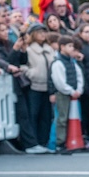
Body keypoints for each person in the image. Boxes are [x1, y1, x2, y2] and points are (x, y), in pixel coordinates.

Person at [50, 35, 85, 154]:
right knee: (62, 118)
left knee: (73, 118)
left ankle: (71, 140)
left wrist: (79, 89)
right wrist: (70, 91)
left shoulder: (72, 62)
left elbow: (79, 75)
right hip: (63, 94)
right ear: (62, 47)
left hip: (74, 93)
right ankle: (59, 142)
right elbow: (59, 81)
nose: (72, 49)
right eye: (69, 46)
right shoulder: (58, 63)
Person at [25, 23, 56, 154]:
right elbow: (23, 66)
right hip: (34, 86)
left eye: (44, 32)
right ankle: (34, 142)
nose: (42, 35)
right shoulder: (29, 49)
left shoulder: (49, 49)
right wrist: (32, 73)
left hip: (47, 86)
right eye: (39, 32)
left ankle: (44, 141)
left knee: (46, 115)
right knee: (34, 114)